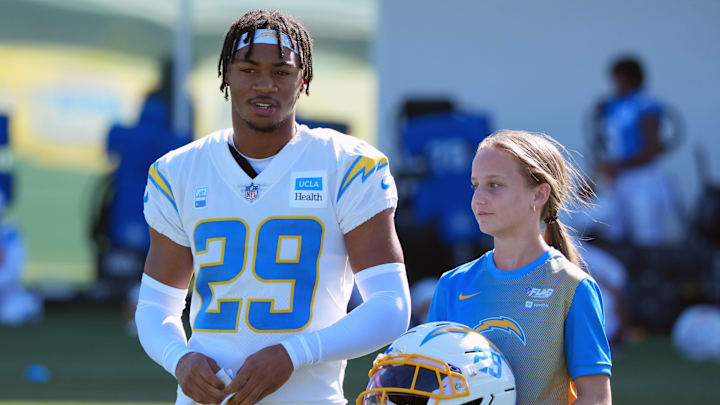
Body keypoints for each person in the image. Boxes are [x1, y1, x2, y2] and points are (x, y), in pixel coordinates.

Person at [135, 9, 411, 405]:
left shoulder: (350, 165)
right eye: (249, 70)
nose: (264, 85)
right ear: (226, 74)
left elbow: (391, 306)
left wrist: (294, 353)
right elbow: (155, 304)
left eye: (281, 72)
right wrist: (180, 360)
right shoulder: (177, 171)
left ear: (304, 79)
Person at [427, 130, 612, 404]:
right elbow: (430, 385)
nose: (478, 198)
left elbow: (596, 398)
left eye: (494, 185)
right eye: (475, 184)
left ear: (538, 195)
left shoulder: (572, 288)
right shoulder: (452, 285)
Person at [588, 56, 680, 246]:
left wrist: (618, 164)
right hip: (617, 180)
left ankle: (651, 273)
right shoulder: (612, 105)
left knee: (646, 235)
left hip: (642, 179)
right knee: (613, 230)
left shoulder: (647, 104)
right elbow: (607, 144)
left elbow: (651, 149)